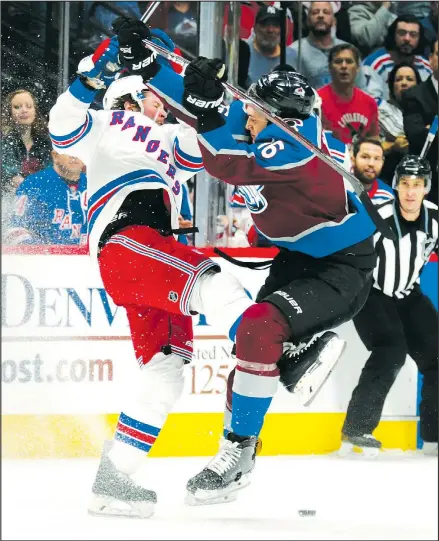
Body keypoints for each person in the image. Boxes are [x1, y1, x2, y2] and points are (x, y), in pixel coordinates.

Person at [50, 25, 335, 519]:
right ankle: (287, 357)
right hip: (128, 241)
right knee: (214, 279)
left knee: (166, 370)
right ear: (131, 98)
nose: (161, 105)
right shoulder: (108, 125)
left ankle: (114, 477)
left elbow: (199, 142)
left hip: (148, 255)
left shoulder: (167, 136)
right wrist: (94, 73)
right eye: (152, 98)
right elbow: (61, 124)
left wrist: (197, 89)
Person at [127, 22, 381, 502]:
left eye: (255, 113)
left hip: (341, 266)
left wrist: (202, 110)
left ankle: (238, 455)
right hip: (297, 256)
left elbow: (223, 161)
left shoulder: (299, 151)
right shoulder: (262, 128)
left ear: (283, 119)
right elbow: (207, 112)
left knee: (258, 328)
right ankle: (287, 361)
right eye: (247, 106)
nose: (245, 116)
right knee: (254, 344)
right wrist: (147, 64)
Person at [341, 155, 438, 457]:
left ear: (426, 188)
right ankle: (356, 429)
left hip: (410, 295)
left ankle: (434, 438)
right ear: (396, 186)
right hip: (372, 295)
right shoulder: (376, 215)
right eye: (406, 185)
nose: (411, 192)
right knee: (390, 351)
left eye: (418, 185)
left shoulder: (434, 218)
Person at [5, 151, 87, 245]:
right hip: (48, 257)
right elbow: (16, 228)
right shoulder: (34, 183)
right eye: (68, 151)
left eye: (79, 149)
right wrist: (40, 254)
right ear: (55, 155)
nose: (74, 155)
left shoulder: (94, 184)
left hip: (89, 257)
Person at [1, 89, 52, 236]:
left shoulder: (46, 142)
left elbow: (49, 175)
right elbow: (9, 176)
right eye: (17, 107)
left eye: (28, 106)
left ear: (35, 110)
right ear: (9, 113)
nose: (24, 110)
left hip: (40, 203)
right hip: (9, 202)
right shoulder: (5, 142)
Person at [318, 43, 379, 144]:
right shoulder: (317, 101)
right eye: (338, 62)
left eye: (349, 61)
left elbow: (374, 140)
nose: (344, 66)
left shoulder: (369, 103)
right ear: (329, 67)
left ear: (358, 67)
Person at [401, 40, 439, 204]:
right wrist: (427, 133)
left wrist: (432, 129)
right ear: (431, 58)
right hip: (427, 180)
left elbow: (429, 134)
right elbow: (416, 135)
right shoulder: (414, 95)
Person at [362, 15, 433, 100]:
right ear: (393, 35)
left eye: (413, 35)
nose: (407, 38)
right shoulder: (374, 63)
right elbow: (369, 102)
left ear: (420, 39)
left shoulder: (426, 67)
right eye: (402, 33)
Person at [378, 62, 421, 184]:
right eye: (398, 79)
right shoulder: (380, 111)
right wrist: (392, 146)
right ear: (392, 86)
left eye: (409, 79)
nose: (404, 83)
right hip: (388, 174)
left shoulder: (427, 112)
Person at [244, 4, 298, 88]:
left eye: (275, 25)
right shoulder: (244, 51)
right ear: (255, 28)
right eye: (265, 24)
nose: (270, 30)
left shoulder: (292, 56)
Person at [350, 136, 394, 204]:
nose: (371, 164)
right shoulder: (339, 187)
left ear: (382, 162)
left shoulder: (388, 197)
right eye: (365, 157)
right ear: (353, 160)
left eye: (376, 158)